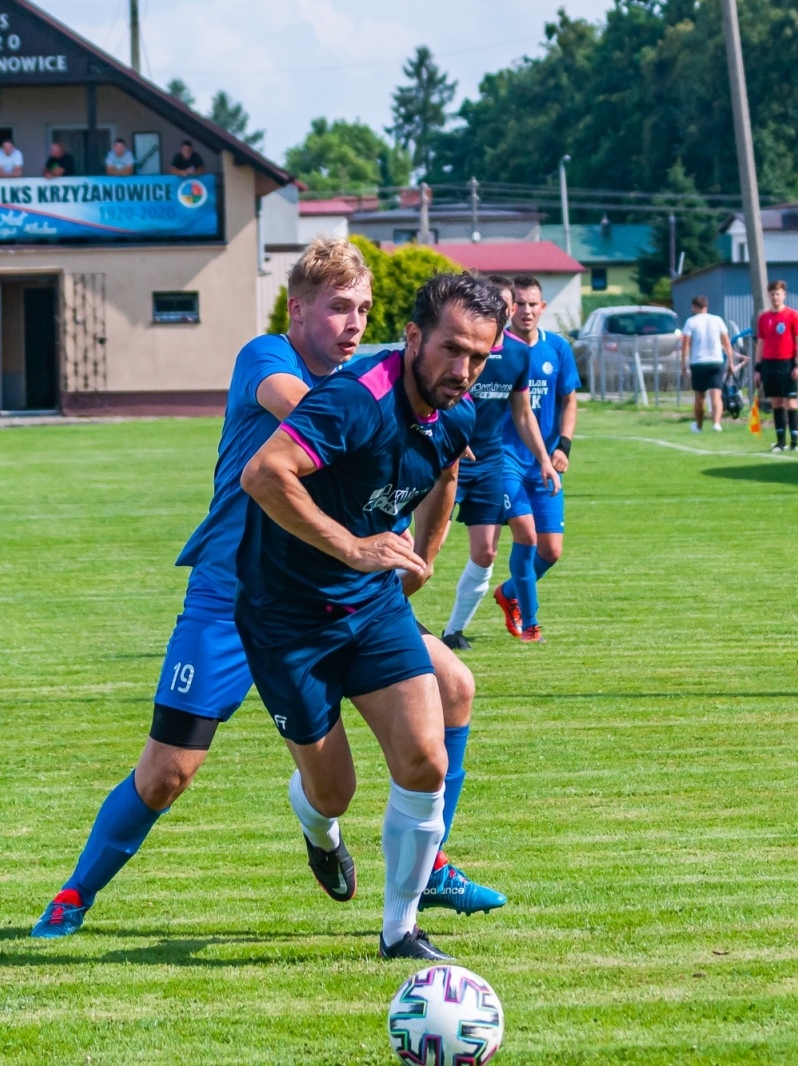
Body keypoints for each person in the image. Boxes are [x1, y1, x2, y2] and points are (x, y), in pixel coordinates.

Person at [30, 240, 505, 942]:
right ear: (297, 308)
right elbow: (318, 420)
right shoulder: (270, 360)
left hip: (337, 592)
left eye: (364, 309)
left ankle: (426, 865)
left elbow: (435, 467)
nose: (353, 323)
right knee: (167, 772)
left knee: (454, 687)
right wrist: (388, 404)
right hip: (231, 595)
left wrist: (416, 560)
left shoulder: (381, 389)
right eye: (339, 307)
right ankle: (76, 892)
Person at [235, 272, 502, 961]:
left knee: (424, 759)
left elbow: (445, 476)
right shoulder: (355, 401)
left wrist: (427, 554)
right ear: (413, 336)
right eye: (450, 349)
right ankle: (318, 831)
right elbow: (264, 474)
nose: (463, 369)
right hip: (286, 616)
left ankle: (400, 932)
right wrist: (355, 546)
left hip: (372, 607)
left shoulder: (459, 411)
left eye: (479, 356)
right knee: (335, 792)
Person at [439, 274, 559, 651]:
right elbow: (435, 401)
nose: (505, 311)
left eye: (507, 304)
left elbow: (522, 414)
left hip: (490, 462)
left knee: (487, 551)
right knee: (427, 549)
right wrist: (451, 442)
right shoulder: (460, 349)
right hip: (447, 460)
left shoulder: (518, 354)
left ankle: (453, 632)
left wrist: (545, 459)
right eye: (497, 303)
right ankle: (385, 618)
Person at [490, 275, 579, 644]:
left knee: (551, 550)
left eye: (532, 304)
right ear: (509, 308)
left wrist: (563, 447)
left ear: (543, 308)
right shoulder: (496, 349)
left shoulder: (557, 348)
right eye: (519, 304)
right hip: (504, 458)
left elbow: (569, 400)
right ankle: (531, 623)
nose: (525, 311)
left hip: (545, 461)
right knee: (525, 537)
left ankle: (509, 592)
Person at [753, 280, 798, 452]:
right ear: (769, 296)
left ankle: (795, 443)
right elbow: (760, 343)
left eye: (778, 293)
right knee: (776, 403)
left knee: (790, 402)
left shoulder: (793, 315)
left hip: (787, 363)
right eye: (772, 294)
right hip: (769, 364)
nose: (775, 297)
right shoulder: (764, 318)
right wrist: (758, 368)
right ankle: (781, 442)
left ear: (784, 295)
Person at [680, 295, 738, 432]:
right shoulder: (717, 320)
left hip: (698, 362)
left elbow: (685, 344)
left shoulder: (691, 322)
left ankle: (699, 426)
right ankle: (716, 423)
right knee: (716, 395)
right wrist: (731, 362)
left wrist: (683, 363)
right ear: (706, 306)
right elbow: (727, 343)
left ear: (694, 307)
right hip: (716, 361)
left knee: (699, 397)